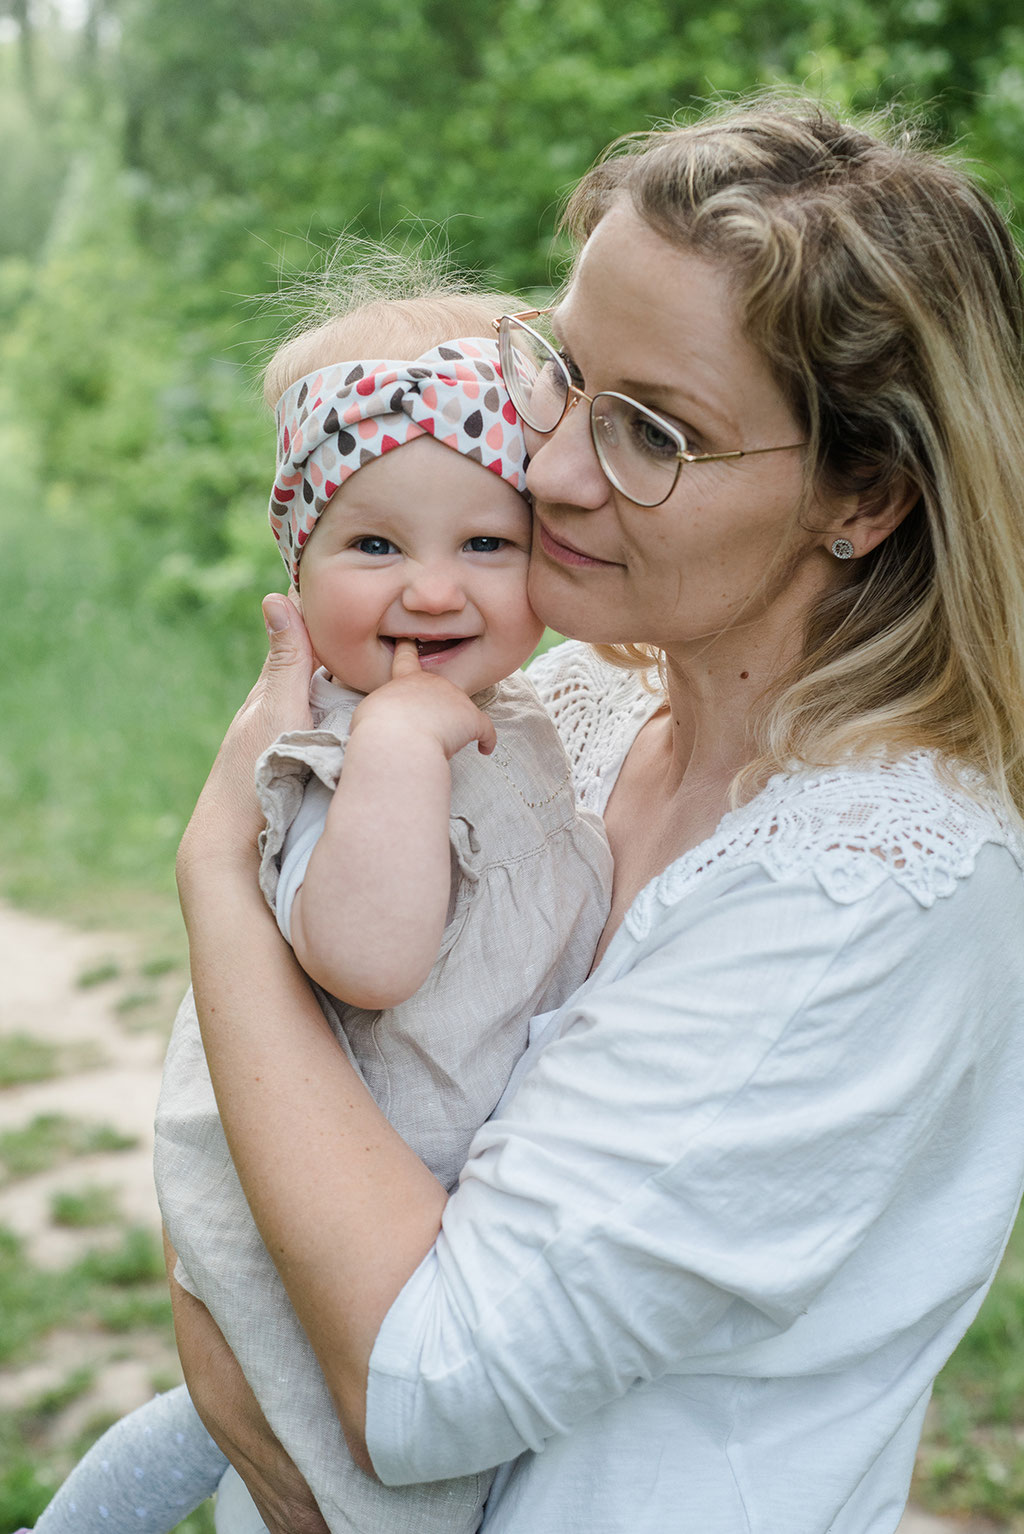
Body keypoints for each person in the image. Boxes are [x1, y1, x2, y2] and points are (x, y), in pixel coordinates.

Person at [169, 95, 1024, 1534]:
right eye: (564, 372)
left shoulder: (877, 887)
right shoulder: (578, 709)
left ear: (863, 497)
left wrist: (211, 874)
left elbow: (418, 1379)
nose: (554, 464)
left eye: (653, 430)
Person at [22, 290, 611, 1534]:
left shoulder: (524, 726)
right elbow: (366, 954)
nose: (433, 592)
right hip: (342, 1261)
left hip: (445, 1222)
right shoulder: (330, 754)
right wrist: (396, 746)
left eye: (486, 545)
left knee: (223, 1457)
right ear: (299, 561)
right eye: (377, 546)